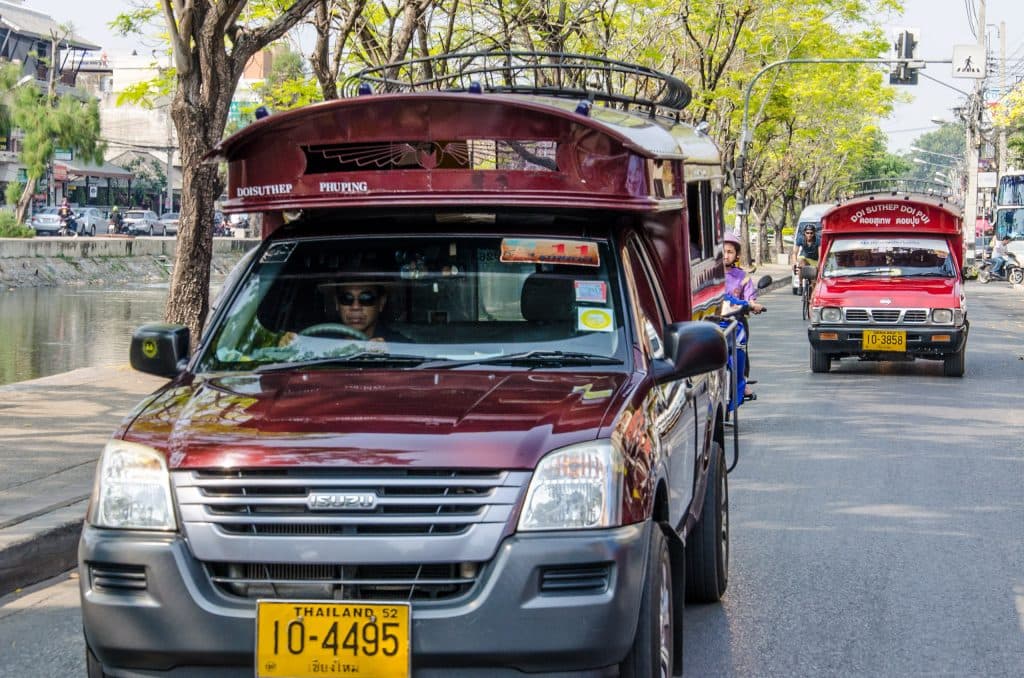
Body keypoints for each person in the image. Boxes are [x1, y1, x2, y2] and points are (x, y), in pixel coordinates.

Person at [722, 231, 763, 401]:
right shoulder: (708, 274)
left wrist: (753, 304)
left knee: (741, 351)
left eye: (730, 252)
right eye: (722, 251)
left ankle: (742, 382)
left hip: (736, 322)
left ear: (737, 255)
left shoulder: (742, 276)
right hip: (713, 322)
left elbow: (750, 298)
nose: (725, 255)